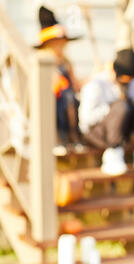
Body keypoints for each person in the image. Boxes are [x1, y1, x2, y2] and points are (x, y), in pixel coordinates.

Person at [78, 48, 134, 175]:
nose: (125, 84)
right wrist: (111, 108)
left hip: (121, 132)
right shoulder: (96, 85)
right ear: (113, 72)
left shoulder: (133, 83)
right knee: (120, 107)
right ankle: (113, 155)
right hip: (96, 133)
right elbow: (86, 119)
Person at [34, 6, 83, 153]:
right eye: (57, 45)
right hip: (52, 99)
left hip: (68, 98)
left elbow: (75, 84)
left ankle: (73, 137)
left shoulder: (66, 63)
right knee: (61, 103)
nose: (60, 48)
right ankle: (60, 139)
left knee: (71, 100)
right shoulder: (43, 62)